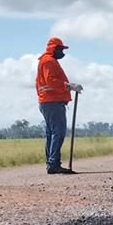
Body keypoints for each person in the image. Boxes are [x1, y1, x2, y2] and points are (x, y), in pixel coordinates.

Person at [35, 37, 82, 175]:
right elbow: (50, 81)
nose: (62, 52)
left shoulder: (47, 61)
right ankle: (53, 164)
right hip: (52, 102)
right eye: (60, 49)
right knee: (58, 132)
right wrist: (68, 86)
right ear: (53, 48)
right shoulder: (49, 61)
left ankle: (52, 163)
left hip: (48, 102)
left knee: (52, 133)